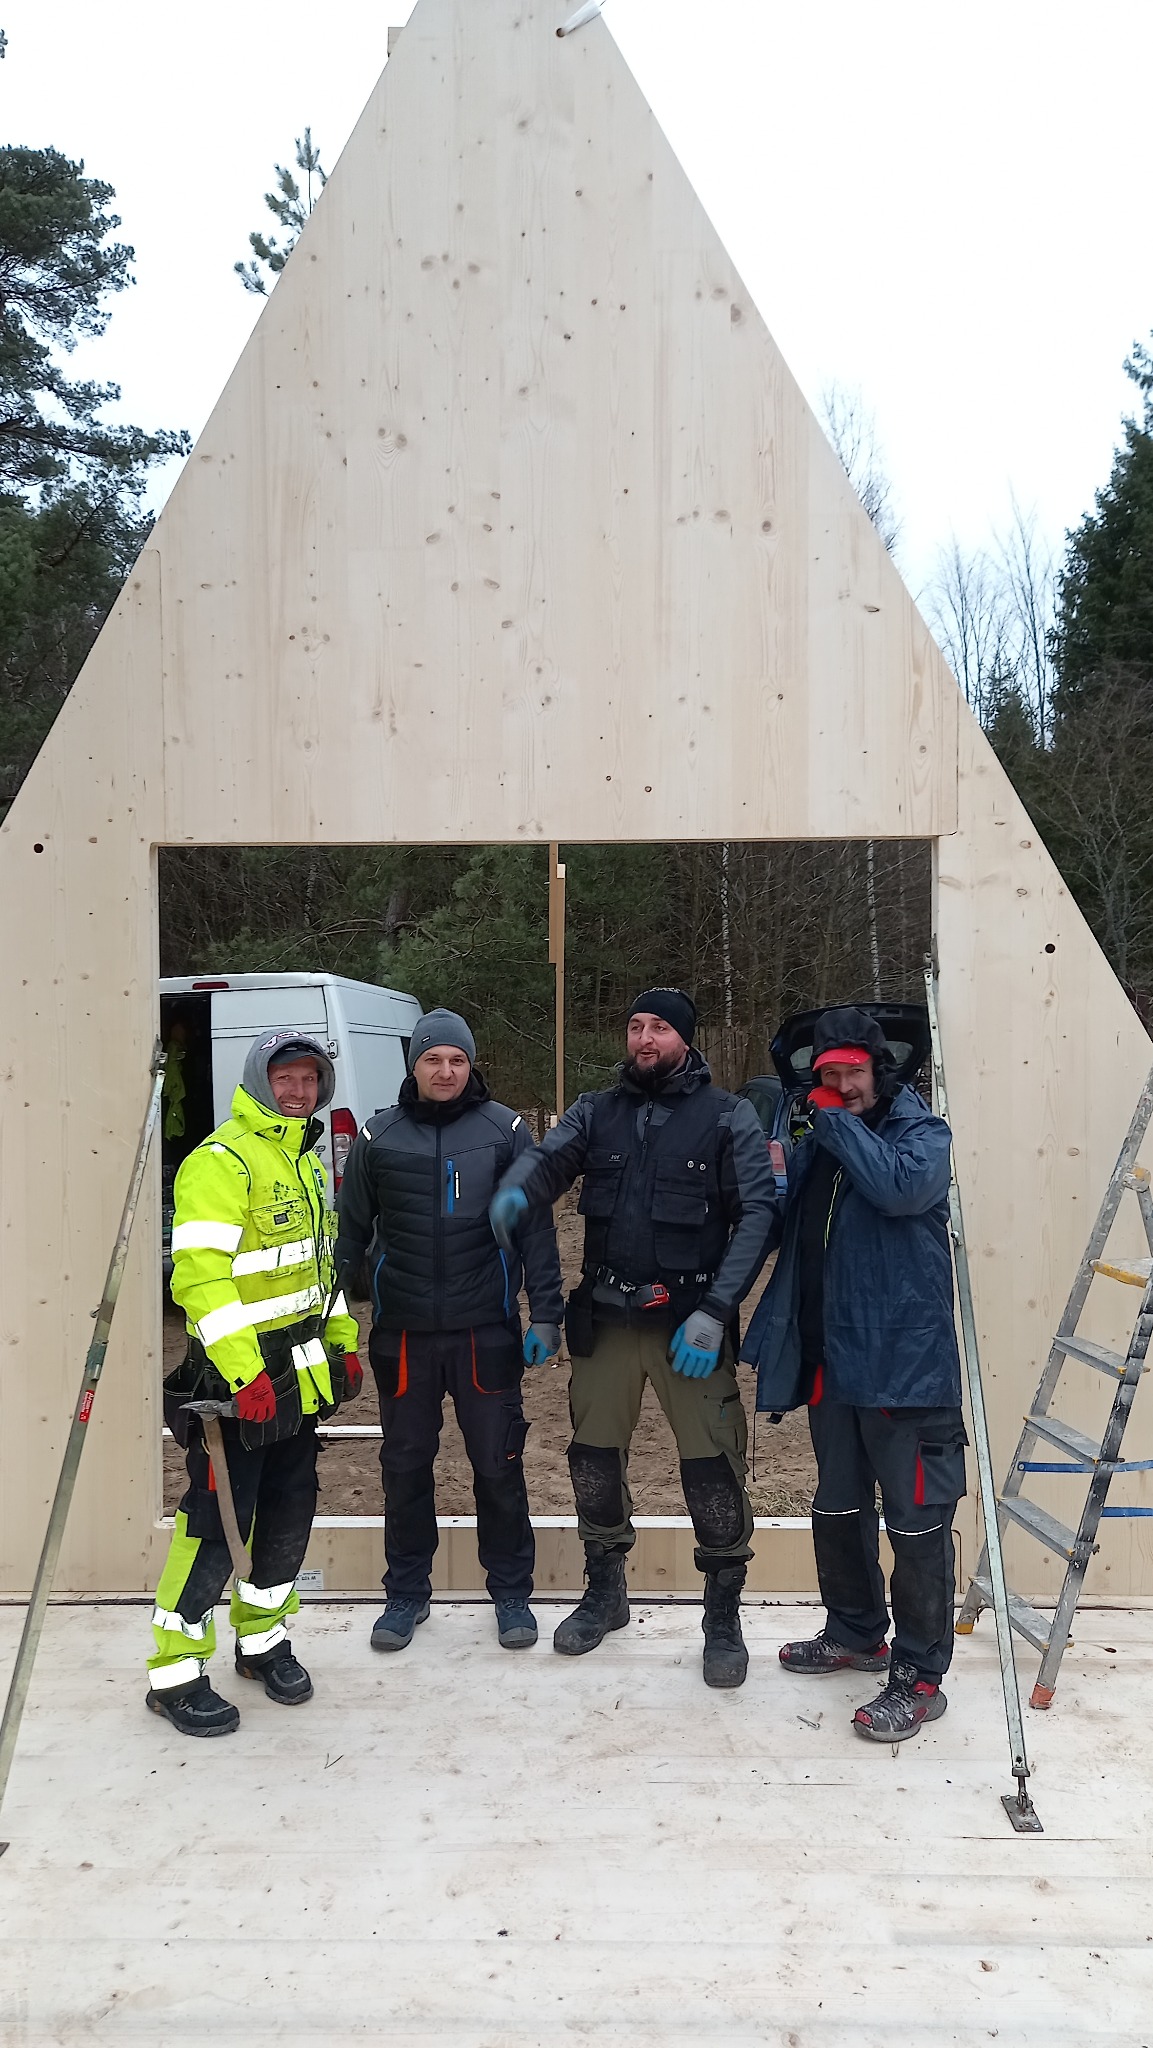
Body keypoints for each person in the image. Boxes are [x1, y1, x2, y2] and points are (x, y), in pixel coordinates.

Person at [489, 989, 775, 1688]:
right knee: (591, 1460)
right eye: (635, 1026)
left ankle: (722, 1616)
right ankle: (604, 1591)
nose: (645, 1038)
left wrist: (715, 1311)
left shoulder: (727, 1116)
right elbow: (549, 1160)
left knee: (712, 1471)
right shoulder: (596, 1111)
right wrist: (518, 1189)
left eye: (660, 1028)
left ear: (685, 1038)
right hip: (607, 1321)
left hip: (689, 1330)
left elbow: (758, 1214)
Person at [741, 1005, 967, 1741]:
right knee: (837, 1507)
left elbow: (901, 1191)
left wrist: (832, 1124)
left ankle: (920, 1675)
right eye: (827, 1074)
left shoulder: (921, 1135)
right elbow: (780, 1220)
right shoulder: (819, 1145)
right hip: (830, 1364)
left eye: (852, 1073)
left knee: (917, 1524)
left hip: (906, 1370)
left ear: (880, 1072)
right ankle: (854, 1631)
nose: (839, 1086)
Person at [147, 1030, 362, 1736]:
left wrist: (342, 1342)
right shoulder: (222, 1160)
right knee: (217, 1524)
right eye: (284, 1078)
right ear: (257, 1083)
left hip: (298, 1377)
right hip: (234, 1382)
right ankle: (175, 1674)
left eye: (309, 1079)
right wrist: (245, 1373)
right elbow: (200, 1280)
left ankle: (262, 1642)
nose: (298, 1091)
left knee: (287, 1513)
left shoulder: (305, 1161)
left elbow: (319, 1270)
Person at [335, 1009, 564, 1652]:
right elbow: (351, 1231)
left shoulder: (505, 1132)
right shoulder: (379, 1136)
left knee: (498, 1464)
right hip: (404, 1336)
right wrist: (339, 1315)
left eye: (456, 1060)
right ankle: (406, 1593)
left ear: (471, 1065)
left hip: (484, 1333)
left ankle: (511, 1593)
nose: (445, 1071)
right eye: (432, 1060)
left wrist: (547, 1315)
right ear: (414, 1065)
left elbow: (537, 1231)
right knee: (405, 1465)